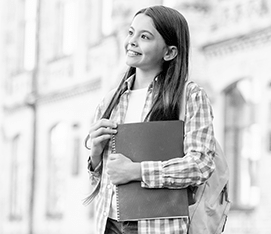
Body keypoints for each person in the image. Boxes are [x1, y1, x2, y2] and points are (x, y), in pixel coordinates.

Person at [86, 5, 216, 234]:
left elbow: (201, 165)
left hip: (158, 227)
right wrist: (95, 155)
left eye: (144, 36)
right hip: (108, 224)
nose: (132, 41)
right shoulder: (110, 101)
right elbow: (101, 177)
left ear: (170, 52)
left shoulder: (190, 97)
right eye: (131, 33)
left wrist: (137, 171)